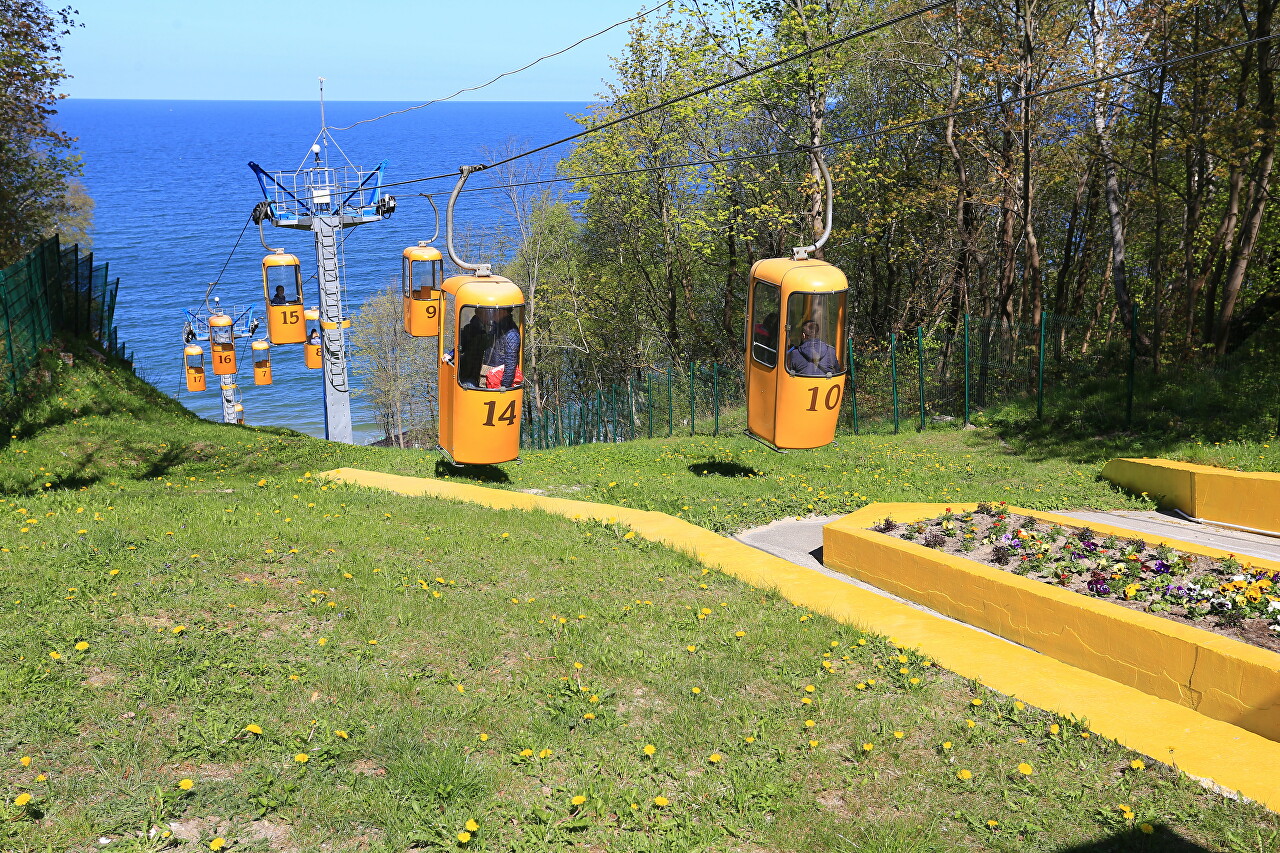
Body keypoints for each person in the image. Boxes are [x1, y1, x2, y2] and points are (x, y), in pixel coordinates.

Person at [482, 307, 521, 389]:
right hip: (488, 373)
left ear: (503, 311)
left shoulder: (511, 333)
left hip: (497, 377)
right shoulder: (496, 327)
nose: (492, 313)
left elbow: (511, 362)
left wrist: (504, 386)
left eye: (495, 310)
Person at [456, 309, 490, 388]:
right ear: (478, 313)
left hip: (480, 372)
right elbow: (460, 345)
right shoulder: (470, 329)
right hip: (471, 371)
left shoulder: (490, 329)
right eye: (484, 312)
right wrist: (450, 355)